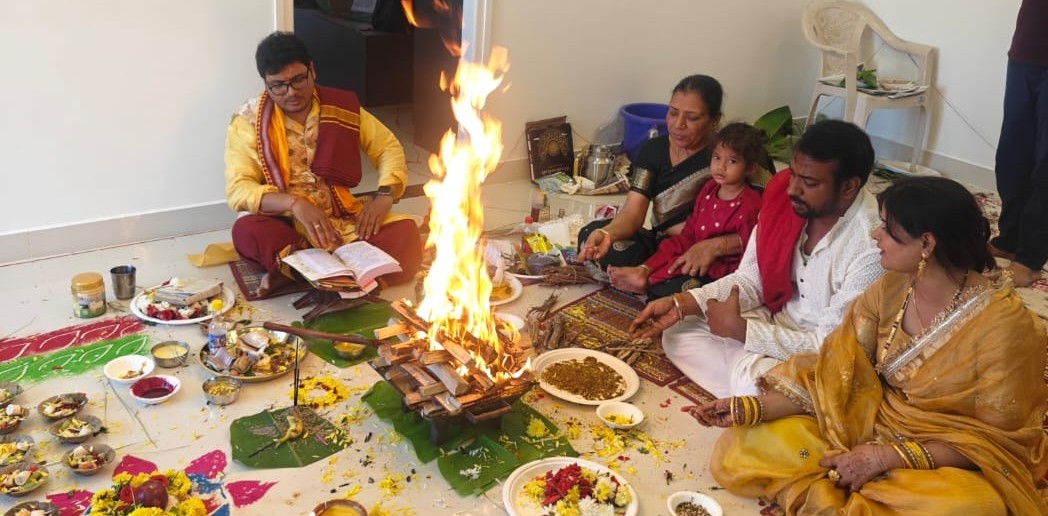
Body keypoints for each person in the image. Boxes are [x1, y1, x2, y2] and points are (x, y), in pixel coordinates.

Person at [687, 176, 1048, 514]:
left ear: (926, 244)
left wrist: (884, 458)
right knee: (739, 448)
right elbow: (837, 375)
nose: (875, 234)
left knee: (970, 505)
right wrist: (751, 407)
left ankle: (858, 491)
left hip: (942, 454)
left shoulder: (1005, 326)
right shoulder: (889, 288)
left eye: (889, 230)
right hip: (864, 422)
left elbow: (997, 442)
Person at [629, 119, 884, 398]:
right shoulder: (784, 198)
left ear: (848, 187)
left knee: (770, 383)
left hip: (818, 353)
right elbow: (752, 279)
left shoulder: (871, 245)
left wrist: (744, 332)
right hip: (774, 318)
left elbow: (833, 346)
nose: (792, 189)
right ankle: (761, 389)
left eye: (809, 182)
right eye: (793, 174)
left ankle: (762, 389)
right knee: (679, 331)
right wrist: (683, 303)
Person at [224, 32, 422, 296]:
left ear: (312, 70)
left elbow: (387, 147)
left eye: (298, 80)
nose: (291, 92)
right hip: (287, 224)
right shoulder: (248, 120)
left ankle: (299, 274)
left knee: (406, 234)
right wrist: (295, 205)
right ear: (266, 84)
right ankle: (355, 276)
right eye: (278, 85)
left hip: (342, 219)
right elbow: (239, 189)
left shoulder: (340, 107)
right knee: (247, 231)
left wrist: (385, 196)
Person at [578, 75, 765, 271]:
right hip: (665, 245)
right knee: (593, 235)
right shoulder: (653, 150)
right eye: (673, 113)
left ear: (714, 120)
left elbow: (765, 227)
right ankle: (650, 273)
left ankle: (654, 277)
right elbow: (632, 212)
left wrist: (715, 246)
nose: (678, 124)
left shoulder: (735, 156)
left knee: (694, 275)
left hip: (714, 253)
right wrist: (608, 234)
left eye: (692, 118)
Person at [608, 122, 766, 298]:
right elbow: (691, 230)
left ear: (750, 168)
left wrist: (703, 251)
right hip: (693, 244)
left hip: (720, 267)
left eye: (732, 161)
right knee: (670, 247)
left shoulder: (750, 203)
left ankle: (649, 282)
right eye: (716, 157)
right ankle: (643, 271)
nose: (721, 167)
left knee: (670, 287)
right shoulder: (709, 188)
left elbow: (748, 248)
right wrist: (675, 251)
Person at [990, 0, 1048, 287]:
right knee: (1012, 159)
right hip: (1025, 53)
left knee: (1045, 165)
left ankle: (1029, 259)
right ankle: (1010, 239)